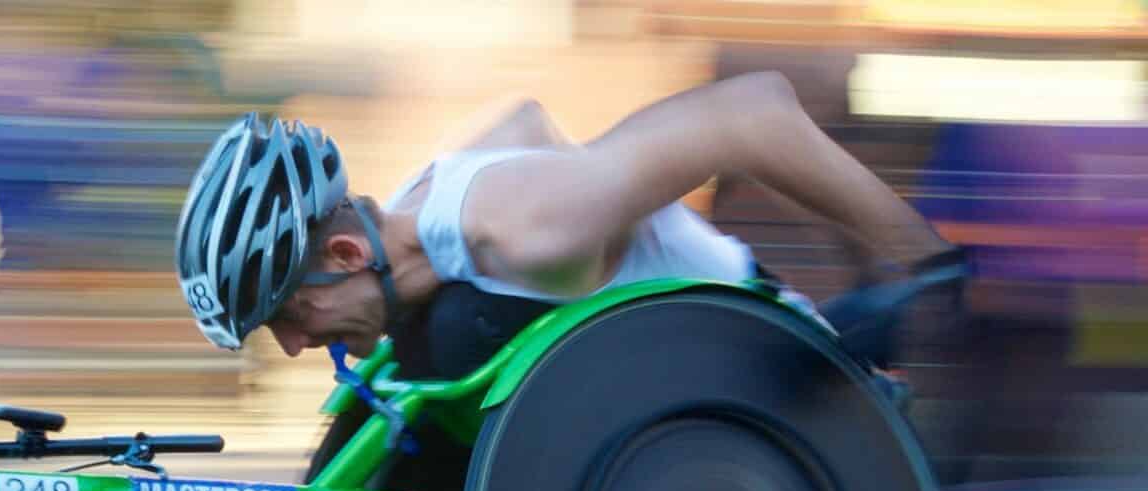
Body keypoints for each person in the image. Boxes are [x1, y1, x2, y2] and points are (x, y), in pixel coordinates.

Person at [172, 72, 962, 375]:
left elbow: (750, 114)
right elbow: (524, 118)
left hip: (766, 374)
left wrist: (912, 270)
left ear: (345, 253)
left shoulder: (526, 231)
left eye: (288, 313)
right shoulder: (430, 199)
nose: (295, 344)